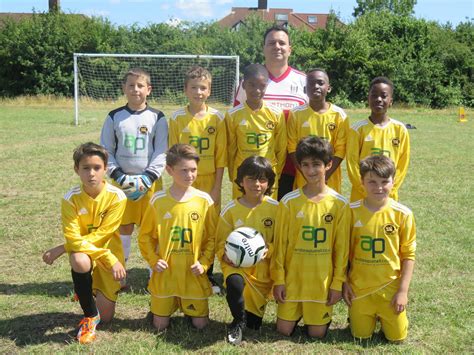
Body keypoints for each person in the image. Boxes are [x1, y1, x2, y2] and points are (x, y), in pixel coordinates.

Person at [42, 142, 127, 344]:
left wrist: (62, 248)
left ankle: (85, 290)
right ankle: (89, 316)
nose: (91, 174)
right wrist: (109, 258)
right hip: (90, 254)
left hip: (108, 250)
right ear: (76, 170)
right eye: (85, 168)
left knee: (107, 318)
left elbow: (103, 235)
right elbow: (73, 237)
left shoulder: (117, 197)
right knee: (80, 261)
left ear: (105, 168)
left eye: (97, 168)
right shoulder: (70, 198)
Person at [271, 136, 349, 338]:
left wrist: (337, 284)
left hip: (321, 285)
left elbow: (341, 249)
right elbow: (280, 245)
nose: (310, 170)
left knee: (317, 335)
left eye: (316, 164)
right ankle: (296, 313)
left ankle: (316, 316)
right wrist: (279, 280)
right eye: (305, 165)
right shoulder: (288, 202)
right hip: (292, 282)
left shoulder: (339, 205)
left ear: (329, 164)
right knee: (283, 331)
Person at [100, 68, 168, 285]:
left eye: (140, 86)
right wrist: (119, 176)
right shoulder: (114, 116)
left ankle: (153, 274)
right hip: (122, 185)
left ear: (149, 90)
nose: (135, 89)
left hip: (150, 184)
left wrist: (148, 177)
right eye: (131, 85)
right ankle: (120, 274)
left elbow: (162, 151)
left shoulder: (158, 117)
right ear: (124, 88)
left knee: (153, 230)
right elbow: (105, 151)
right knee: (123, 228)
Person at [138, 144, 217, 331]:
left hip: (192, 274)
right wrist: (153, 260)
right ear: (169, 170)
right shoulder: (158, 201)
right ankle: (160, 307)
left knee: (201, 325)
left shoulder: (204, 201)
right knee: (160, 326)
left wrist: (204, 263)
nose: (189, 175)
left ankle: (188, 305)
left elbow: (213, 238)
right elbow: (145, 237)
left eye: (193, 170)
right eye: (184, 170)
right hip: (166, 275)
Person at [343, 155, 416, 342]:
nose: (379, 187)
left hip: (390, 289)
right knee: (360, 336)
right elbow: (341, 253)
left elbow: (409, 255)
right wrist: (345, 282)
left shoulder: (403, 214)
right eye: (372, 182)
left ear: (394, 180)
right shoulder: (350, 212)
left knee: (397, 339)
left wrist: (402, 292)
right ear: (362, 182)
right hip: (360, 288)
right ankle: (360, 316)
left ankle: (387, 318)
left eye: (385, 181)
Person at [169, 66, 227, 293]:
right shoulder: (176, 119)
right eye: (194, 87)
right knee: (187, 224)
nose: (198, 92)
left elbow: (221, 156)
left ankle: (208, 273)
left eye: (203, 88)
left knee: (209, 228)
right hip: (184, 181)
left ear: (210, 90)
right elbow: (173, 155)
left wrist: (216, 188)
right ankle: (184, 268)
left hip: (209, 180)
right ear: (185, 90)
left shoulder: (217, 118)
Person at [234, 25, 307, 200]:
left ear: (290, 49)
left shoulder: (303, 81)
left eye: (282, 43)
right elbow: (237, 123)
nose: (277, 46)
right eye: (271, 43)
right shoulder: (249, 82)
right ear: (263, 48)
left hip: (295, 165)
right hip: (256, 168)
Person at [216, 156, 278, 345]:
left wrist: (268, 250)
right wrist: (225, 255)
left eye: (262, 179)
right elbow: (220, 241)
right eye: (250, 179)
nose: (256, 184)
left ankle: (249, 317)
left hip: (262, 272)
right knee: (234, 282)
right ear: (241, 181)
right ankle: (237, 320)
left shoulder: (277, 209)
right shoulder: (231, 210)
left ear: (269, 183)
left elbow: (282, 241)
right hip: (237, 267)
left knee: (255, 325)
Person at [226, 63, 287, 200]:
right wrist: (233, 175)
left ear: (267, 86)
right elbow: (231, 149)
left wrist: (275, 173)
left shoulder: (276, 114)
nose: (257, 90)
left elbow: (281, 149)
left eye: (262, 85)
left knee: (267, 215)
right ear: (243, 85)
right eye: (252, 85)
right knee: (242, 213)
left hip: (268, 174)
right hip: (242, 174)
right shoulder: (233, 115)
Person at [346, 76, 410, 202]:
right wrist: (365, 189)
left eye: (384, 96)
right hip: (362, 196)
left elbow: (402, 164)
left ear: (391, 100)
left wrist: (391, 188)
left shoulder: (400, 129)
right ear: (368, 99)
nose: (379, 99)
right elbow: (352, 164)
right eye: (374, 95)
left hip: (388, 195)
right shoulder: (357, 129)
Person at [287, 68, 349, 193]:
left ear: (329, 88)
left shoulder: (339, 115)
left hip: (329, 178)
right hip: (304, 178)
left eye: (320, 83)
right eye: (311, 83)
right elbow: (292, 148)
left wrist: (325, 175)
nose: (316, 86)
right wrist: (306, 173)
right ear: (305, 89)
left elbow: (341, 150)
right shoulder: (296, 114)